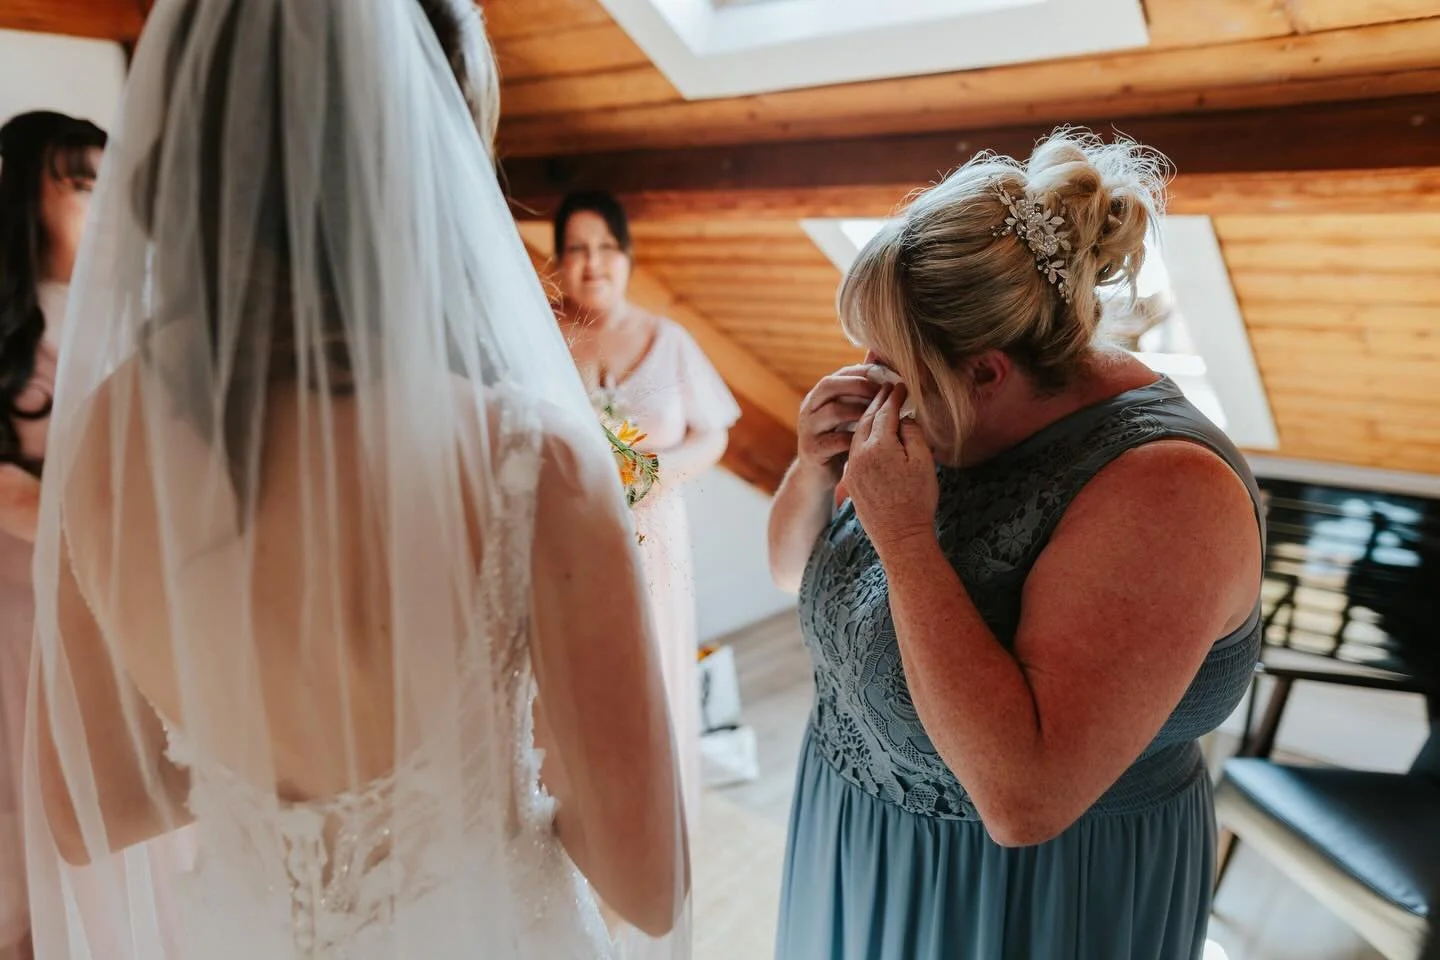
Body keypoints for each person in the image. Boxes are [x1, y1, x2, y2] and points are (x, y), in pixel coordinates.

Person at [22, 0, 688, 957]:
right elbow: (649, 884)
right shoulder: (524, 455)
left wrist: (247, 769)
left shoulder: (104, 438)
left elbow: (91, 809)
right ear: (436, 146)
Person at [767, 130, 1264, 959]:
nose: (869, 376)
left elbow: (1023, 801)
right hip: (851, 829)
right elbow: (791, 577)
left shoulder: (1170, 492)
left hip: (1024, 900)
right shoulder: (948, 411)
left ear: (989, 372)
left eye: (892, 363)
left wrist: (904, 538)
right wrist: (810, 470)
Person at [553, 191, 740, 823]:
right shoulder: (544, 337)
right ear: (559, 259)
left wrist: (656, 473)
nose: (593, 262)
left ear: (627, 257)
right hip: (566, 535)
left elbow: (712, 433)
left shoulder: (669, 340)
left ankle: (647, 819)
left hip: (652, 535)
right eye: (577, 248)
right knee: (574, 676)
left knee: (649, 667)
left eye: (606, 246)